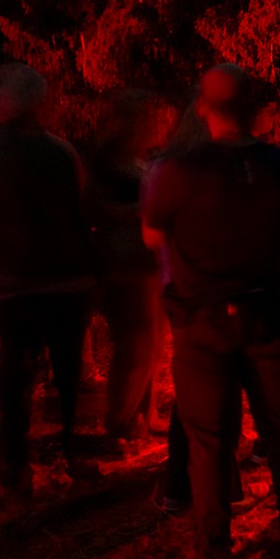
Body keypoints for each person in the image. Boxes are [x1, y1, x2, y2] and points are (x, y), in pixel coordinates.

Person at [141, 65, 280, 559]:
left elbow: (153, 237)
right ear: (252, 109)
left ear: (202, 108)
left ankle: (214, 553)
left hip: (201, 319)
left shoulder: (175, 171)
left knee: (209, 439)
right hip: (265, 311)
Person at [0, 64, 97, 498]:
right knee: (67, 374)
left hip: (9, 283)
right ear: (37, 102)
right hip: (62, 280)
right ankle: (71, 451)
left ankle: (15, 468)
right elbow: (82, 212)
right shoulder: (60, 153)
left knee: (15, 378)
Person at [88, 90, 176, 442]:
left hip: (149, 259)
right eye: (145, 118)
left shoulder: (138, 159)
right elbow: (96, 210)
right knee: (136, 344)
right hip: (125, 261)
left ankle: (147, 412)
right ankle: (119, 422)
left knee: (154, 341)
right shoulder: (108, 160)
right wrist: (142, 211)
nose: (154, 125)